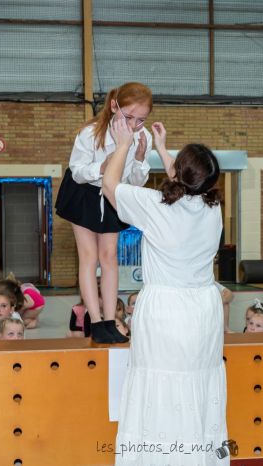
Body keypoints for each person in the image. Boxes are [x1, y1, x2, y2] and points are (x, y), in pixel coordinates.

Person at [103, 118, 227, 466]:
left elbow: (109, 185)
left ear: (180, 173)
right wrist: (161, 149)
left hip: (166, 310)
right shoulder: (213, 207)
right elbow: (189, 183)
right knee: (196, 388)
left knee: (160, 389)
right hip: (203, 309)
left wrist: (124, 142)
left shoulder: (155, 203)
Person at [55, 82, 154, 344]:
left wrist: (142, 157)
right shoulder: (90, 133)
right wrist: (102, 167)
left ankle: (110, 321)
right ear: (114, 106)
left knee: (109, 257)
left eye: (141, 119)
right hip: (84, 191)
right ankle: (96, 322)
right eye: (128, 116)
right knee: (88, 256)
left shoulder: (143, 137)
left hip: (113, 193)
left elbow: (136, 181)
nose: (133, 124)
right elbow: (77, 170)